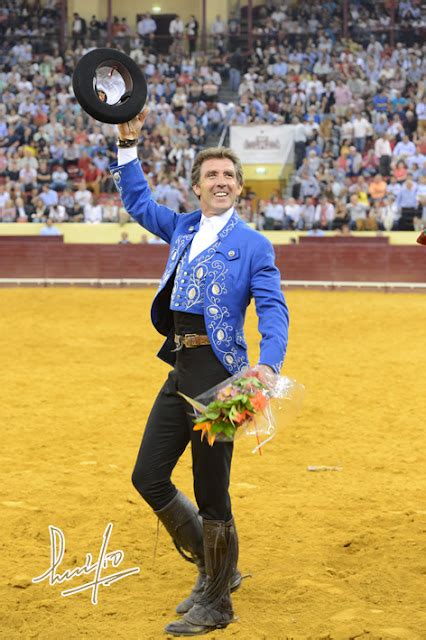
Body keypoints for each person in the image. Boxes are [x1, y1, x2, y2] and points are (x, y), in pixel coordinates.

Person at [109, 108, 289, 636]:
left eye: (229, 176)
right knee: (148, 475)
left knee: (213, 493)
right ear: (196, 186)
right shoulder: (184, 226)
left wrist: (267, 362)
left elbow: (273, 308)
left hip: (222, 376)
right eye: (211, 175)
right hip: (181, 365)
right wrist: (127, 144)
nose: (221, 182)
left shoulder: (254, 244)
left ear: (239, 189)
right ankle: (218, 571)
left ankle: (216, 602)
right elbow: (139, 201)